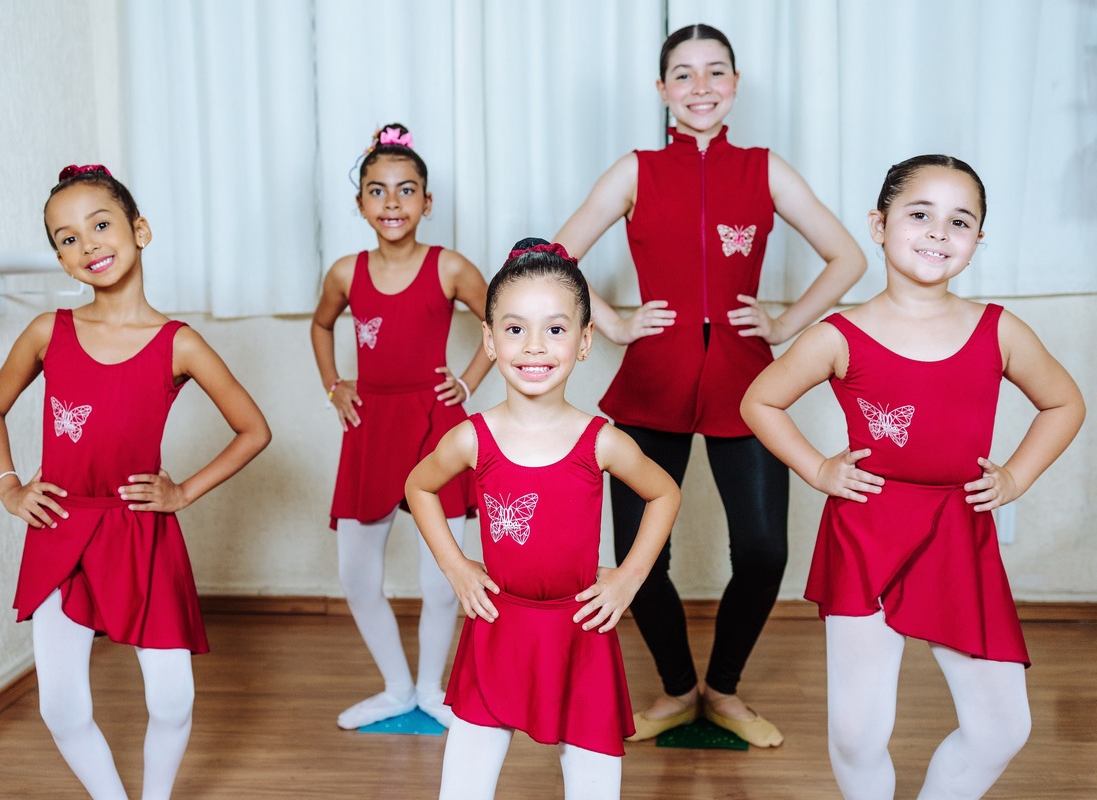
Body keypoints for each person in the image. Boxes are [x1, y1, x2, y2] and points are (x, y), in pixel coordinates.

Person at [553, 23, 867, 746]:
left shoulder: (765, 168)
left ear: (735, 84)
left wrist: (786, 325)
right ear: (662, 91)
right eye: (684, 75)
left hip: (746, 384)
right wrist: (620, 324)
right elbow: (554, 252)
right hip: (651, 385)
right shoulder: (635, 170)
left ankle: (721, 690)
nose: (701, 87)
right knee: (640, 560)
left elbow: (847, 257)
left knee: (763, 551)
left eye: (715, 72)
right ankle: (674, 690)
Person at [741, 154, 1085, 798]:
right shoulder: (839, 334)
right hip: (867, 530)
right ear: (879, 224)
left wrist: (1015, 477)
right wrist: (817, 467)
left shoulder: (999, 329)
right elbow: (759, 400)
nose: (937, 232)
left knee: (1001, 727)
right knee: (857, 731)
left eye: (959, 221)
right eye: (919, 214)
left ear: (977, 241)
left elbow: (1065, 403)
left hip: (959, 533)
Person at [0, 164, 271, 799]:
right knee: (61, 705)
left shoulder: (178, 343)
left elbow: (254, 429)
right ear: (61, 259)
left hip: (140, 531)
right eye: (67, 239)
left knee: (170, 700)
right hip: (60, 529)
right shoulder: (47, 332)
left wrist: (183, 492)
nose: (88, 246)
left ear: (140, 231)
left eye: (100, 225)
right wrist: (9, 486)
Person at [406, 239, 682, 800]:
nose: (535, 346)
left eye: (555, 330)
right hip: (496, 628)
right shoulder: (470, 437)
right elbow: (419, 484)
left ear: (584, 343)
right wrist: (456, 567)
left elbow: (665, 493)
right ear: (489, 339)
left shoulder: (601, 440)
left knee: (594, 788)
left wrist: (628, 578)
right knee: (461, 789)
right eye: (515, 330)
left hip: (581, 631)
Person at [311, 123, 491, 729]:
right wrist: (335, 385)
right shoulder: (344, 272)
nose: (393, 202)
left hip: (437, 423)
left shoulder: (450, 268)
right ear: (360, 203)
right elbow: (320, 326)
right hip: (371, 426)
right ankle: (395, 688)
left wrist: (467, 382)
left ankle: (432, 689)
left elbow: (504, 320)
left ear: (427, 201)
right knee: (357, 573)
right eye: (378, 190)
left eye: (406, 189)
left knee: (444, 575)